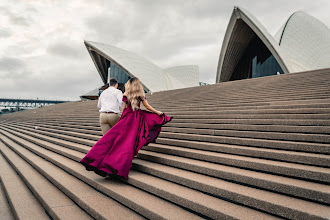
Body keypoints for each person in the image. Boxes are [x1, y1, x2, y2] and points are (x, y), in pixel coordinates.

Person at [80, 77, 172, 179]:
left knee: (112, 141)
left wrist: (121, 121)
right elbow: (147, 107)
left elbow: (123, 109)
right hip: (136, 119)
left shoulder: (125, 94)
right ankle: (117, 164)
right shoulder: (140, 95)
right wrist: (158, 112)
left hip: (126, 118)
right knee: (129, 142)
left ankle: (99, 161)